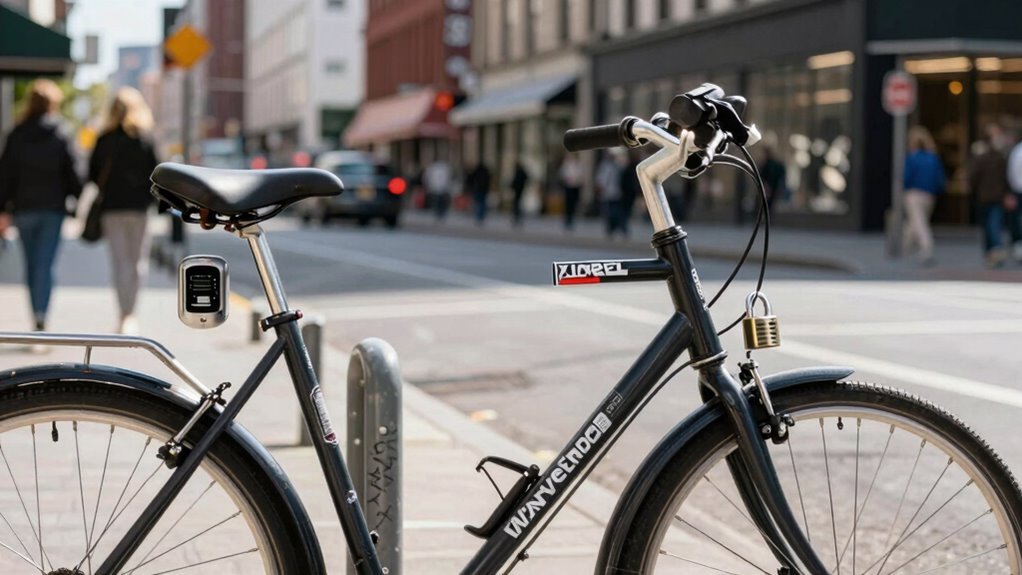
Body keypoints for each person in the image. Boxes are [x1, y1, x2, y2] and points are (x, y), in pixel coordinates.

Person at [0, 79, 82, 339]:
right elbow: (73, 174)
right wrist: (77, 199)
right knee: (45, 265)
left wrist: (3, 209)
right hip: (53, 210)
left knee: (31, 264)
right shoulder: (61, 133)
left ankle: (36, 315)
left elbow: (5, 175)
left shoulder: (17, 133)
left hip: (23, 209)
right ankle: (41, 316)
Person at [88, 87, 159, 334]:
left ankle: (123, 314)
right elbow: (157, 175)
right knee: (138, 263)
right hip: (139, 209)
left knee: (120, 263)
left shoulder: (104, 139)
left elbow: (92, 175)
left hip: (112, 208)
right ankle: (131, 314)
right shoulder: (145, 139)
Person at [969, 123, 1012, 268]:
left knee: (990, 224)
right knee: (991, 224)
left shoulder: (988, 155)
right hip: (991, 196)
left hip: (988, 196)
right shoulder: (996, 156)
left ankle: (994, 250)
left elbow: (973, 176)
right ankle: (993, 251)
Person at [902, 126, 945, 266]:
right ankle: (905, 247)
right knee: (914, 221)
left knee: (919, 223)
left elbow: (906, 177)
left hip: (914, 194)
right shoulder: (933, 158)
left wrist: (905, 189)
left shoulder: (912, 158)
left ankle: (927, 248)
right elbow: (940, 179)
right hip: (929, 195)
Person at [596, 150, 625, 238]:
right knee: (611, 212)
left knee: (613, 212)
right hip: (610, 192)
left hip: (612, 193)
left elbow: (603, 180)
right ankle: (612, 228)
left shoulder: (613, 166)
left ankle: (613, 228)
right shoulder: (609, 166)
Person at [758, 143, 786, 212]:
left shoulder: (771, 164)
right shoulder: (767, 164)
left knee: (768, 204)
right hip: (769, 187)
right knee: (768, 205)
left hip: (771, 187)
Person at [558, 155, 583, 231]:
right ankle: (568, 220)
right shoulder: (566, 165)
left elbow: (581, 175)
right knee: (568, 204)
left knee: (574, 204)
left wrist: (578, 179)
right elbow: (562, 174)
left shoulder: (578, 165)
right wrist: (566, 179)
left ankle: (572, 219)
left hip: (576, 186)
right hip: (568, 186)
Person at [1008, 127, 1022, 260]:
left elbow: (1011, 174)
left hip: (1018, 189)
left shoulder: (1017, 151)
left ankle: (1018, 246)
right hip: (1018, 190)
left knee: (1017, 220)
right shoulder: (1017, 151)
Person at [510, 160, 528, 228]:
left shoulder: (518, 172)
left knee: (516, 204)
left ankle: (516, 218)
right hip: (520, 190)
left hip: (517, 190)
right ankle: (517, 218)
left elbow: (515, 181)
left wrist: (513, 186)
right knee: (518, 204)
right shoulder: (522, 172)